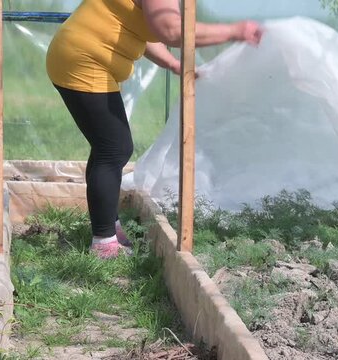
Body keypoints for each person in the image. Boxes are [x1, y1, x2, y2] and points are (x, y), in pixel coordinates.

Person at [46, 0, 263, 258]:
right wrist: (234, 31)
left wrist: (172, 64)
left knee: (109, 147)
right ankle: (103, 243)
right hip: (84, 58)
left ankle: (108, 228)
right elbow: (170, 29)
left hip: (81, 55)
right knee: (114, 148)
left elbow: (142, 30)